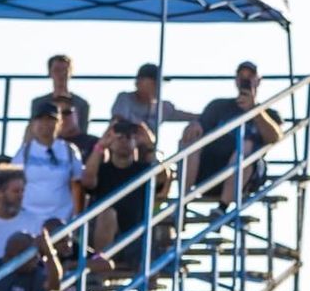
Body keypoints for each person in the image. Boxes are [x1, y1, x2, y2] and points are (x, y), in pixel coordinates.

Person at [184, 62, 283, 207]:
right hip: (210, 172)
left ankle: (223, 207)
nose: (245, 80)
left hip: (247, 176)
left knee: (246, 145)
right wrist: (195, 125)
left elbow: (275, 137)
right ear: (236, 80)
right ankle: (182, 203)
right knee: (190, 140)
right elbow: (199, 128)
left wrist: (254, 110)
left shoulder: (269, 114)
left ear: (258, 80)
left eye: (250, 76)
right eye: (242, 76)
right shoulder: (218, 106)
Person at [80, 120, 170, 261]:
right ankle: (99, 269)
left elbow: (162, 178)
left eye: (129, 137)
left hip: (136, 238)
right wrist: (101, 145)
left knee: (152, 258)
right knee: (107, 214)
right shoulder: (102, 169)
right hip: (105, 237)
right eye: (119, 137)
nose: (123, 141)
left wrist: (150, 146)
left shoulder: (143, 170)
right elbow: (87, 181)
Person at [12, 105, 81, 230]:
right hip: (29, 220)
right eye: (40, 119)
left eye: (50, 119)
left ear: (59, 123)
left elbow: (78, 185)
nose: (45, 124)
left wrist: (76, 217)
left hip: (63, 219)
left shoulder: (69, 151)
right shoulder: (24, 152)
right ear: (33, 124)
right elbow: (11, 183)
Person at [109, 63, 198, 133]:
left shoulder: (163, 107)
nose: (158, 86)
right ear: (139, 82)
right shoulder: (125, 99)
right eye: (154, 82)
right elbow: (118, 123)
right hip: (124, 149)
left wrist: (199, 121)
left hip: (148, 152)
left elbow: (189, 116)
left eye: (160, 83)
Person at [29, 54, 89, 138]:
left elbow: (83, 132)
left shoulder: (81, 104)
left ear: (70, 73)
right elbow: (33, 131)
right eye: (57, 70)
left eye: (65, 70)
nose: (61, 74)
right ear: (49, 72)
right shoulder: (38, 103)